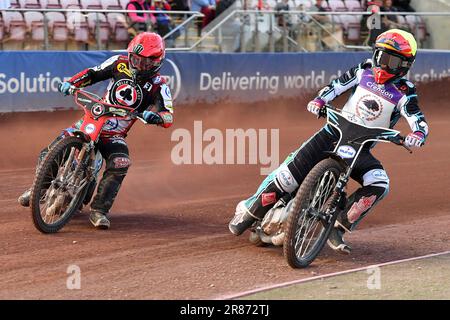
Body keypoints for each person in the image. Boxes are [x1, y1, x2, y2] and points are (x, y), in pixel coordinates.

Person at [228, 29, 428, 254]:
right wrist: (319, 99)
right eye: (381, 57)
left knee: (379, 184)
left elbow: (418, 120)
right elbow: (336, 86)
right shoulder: (363, 70)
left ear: (404, 65)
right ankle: (250, 210)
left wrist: (418, 135)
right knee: (287, 177)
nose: (384, 64)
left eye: (392, 61)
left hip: (360, 148)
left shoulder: (405, 92)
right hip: (332, 133)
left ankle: (338, 226)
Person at [18, 32, 174, 230]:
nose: (138, 65)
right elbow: (92, 73)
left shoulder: (159, 86)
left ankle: (99, 210)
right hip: (93, 118)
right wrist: (71, 84)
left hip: (114, 134)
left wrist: (156, 117)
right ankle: (38, 189)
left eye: (145, 63)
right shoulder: (119, 62)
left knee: (120, 162)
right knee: (53, 148)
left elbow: (168, 115)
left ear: (157, 62)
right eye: (135, 59)